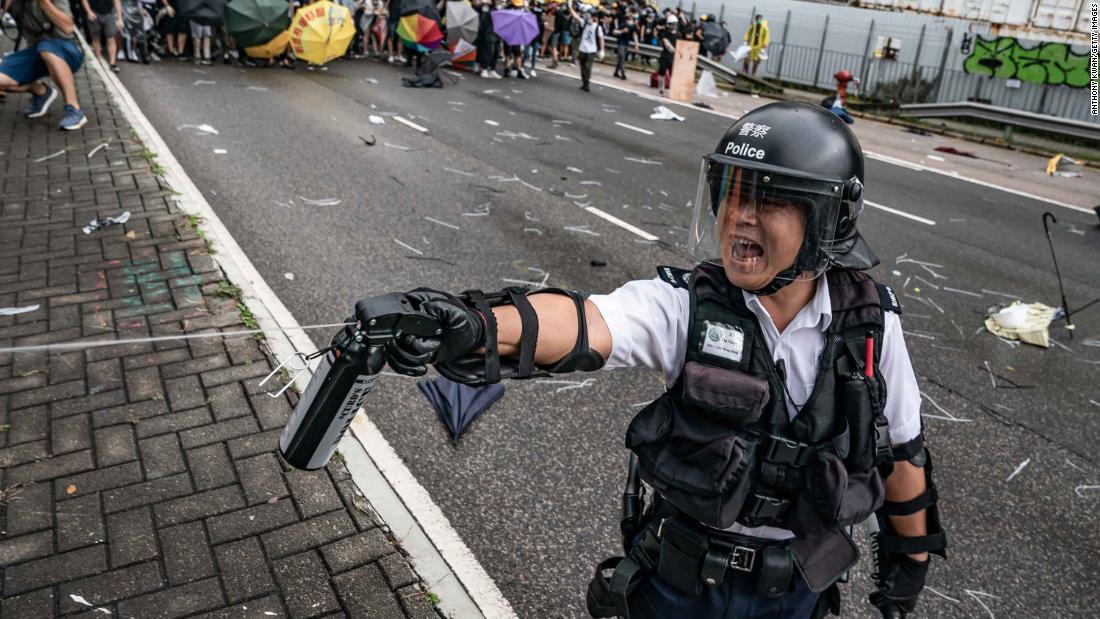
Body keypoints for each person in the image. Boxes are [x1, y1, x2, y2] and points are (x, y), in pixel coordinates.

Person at [372, 101, 946, 619]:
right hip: (679, 586)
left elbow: (901, 455)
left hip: (795, 594)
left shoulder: (871, 327)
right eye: (733, 190)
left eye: (768, 198)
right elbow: (588, 322)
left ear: (829, 219)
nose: (739, 215)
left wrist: (908, 569)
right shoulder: (686, 305)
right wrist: (471, 326)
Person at [0, 0, 88, 129]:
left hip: (67, 49)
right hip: (36, 52)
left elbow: (68, 27)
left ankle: (74, 109)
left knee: (47, 48)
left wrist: (44, 3)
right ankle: (41, 92)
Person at [568, 1, 603, 92]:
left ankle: (587, 83)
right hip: (582, 49)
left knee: (588, 67)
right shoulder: (584, 23)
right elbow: (576, 16)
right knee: (582, 67)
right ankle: (584, 82)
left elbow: (601, 39)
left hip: (592, 50)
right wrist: (570, 7)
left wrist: (602, 50)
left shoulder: (597, 27)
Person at [81, 0, 123, 71]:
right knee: (95, 38)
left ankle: (112, 63)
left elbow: (117, 1)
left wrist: (120, 18)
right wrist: (89, 12)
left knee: (111, 38)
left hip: (109, 12)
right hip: (94, 12)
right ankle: (99, 59)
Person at [609, 2, 636, 80]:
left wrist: (636, 44)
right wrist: (621, 31)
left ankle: (616, 72)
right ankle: (623, 73)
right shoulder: (623, 24)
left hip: (627, 43)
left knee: (622, 58)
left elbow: (634, 34)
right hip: (620, 42)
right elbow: (614, 31)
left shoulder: (633, 26)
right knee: (621, 56)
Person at [655, 13, 674, 96]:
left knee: (672, 73)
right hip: (665, 55)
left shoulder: (678, 34)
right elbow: (665, 41)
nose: (673, 26)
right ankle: (661, 87)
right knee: (662, 71)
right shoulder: (663, 32)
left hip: (673, 58)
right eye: (671, 24)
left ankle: (672, 88)